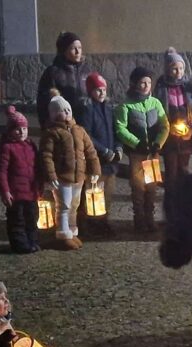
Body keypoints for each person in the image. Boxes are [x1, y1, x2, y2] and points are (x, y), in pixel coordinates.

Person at [40, 96, 101, 250]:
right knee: (63, 206)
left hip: (79, 176)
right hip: (62, 177)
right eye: (63, 110)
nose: (67, 112)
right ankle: (63, 233)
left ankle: (72, 231)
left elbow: (90, 151)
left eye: (68, 109)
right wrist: (51, 175)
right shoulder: (52, 133)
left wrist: (94, 169)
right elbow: (46, 156)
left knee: (74, 205)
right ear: (54, 114)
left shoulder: (79, 130)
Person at [115, 66, 170, 232]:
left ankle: (150, 217)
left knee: (152, 186)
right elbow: (120, 128)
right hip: (137, 154)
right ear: (134, 84)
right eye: (142, 82)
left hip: (152, 153)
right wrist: (136, 143)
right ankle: (139, 219)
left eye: (149, 82)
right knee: (138, 187)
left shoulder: (155, 103)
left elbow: (164, 125)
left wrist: (158, 143)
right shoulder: (126, 105)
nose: (146, 86)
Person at [153, 47, 192, 205]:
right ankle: (171, 200)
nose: (178, 72)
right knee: (171, 170)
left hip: (186, 136)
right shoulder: (161, 86)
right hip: (169, 136)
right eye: (174, 68)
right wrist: (168, 127)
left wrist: (191, 128)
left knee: (183, 168)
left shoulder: (188, 86)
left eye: (180, 68)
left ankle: (184, 199)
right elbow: (158, 110)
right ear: (168, 69)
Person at [0, 106, 42, 253]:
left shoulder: (31, 145)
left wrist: (39, 185)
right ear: (10, 130)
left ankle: (32, 241)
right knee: (17, 219)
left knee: (32, 218)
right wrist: (5, 191)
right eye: (18, 129)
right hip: (16, 193)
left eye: (24, 128)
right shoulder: (6, 148)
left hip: (31, 191)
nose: (22, 132)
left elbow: (37, 167)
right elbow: (1, 171)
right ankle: (20, 244)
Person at [80, 72, 122, 235]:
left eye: (104, 89)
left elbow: (115, 130)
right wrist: (104, 151)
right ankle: (93, 223)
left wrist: (118, 147)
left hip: (111, 161)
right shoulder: (88, 110)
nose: (102, 93)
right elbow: (87, 135)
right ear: (91, 91)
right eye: (98, 90)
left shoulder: (109, 109)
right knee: (95, 194)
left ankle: (104, 221)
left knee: (108, 193)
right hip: (97, 160)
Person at [36, 31, 91, 127]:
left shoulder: (86, 70)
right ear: (64, 51)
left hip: (85, 123)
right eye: (73, 48)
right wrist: (47, 125)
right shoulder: (53, 72)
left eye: (80, 48)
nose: (78, 52)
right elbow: (43, 102)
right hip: (63, 124)